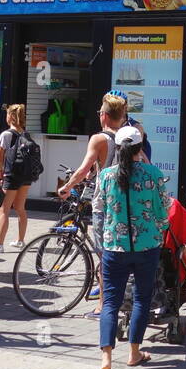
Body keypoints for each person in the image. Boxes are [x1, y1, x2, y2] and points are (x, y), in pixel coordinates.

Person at [93, 125, 171, 369]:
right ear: (140, 148)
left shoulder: (106, 175)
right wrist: (160, 231)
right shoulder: (153, 174)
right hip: (146, 245)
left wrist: (105, 236)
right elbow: (163, 211)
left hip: (114, 246)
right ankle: (134, 351)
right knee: (142, 298)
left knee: (110, 302)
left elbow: (99, 209)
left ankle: (106, 357)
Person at [58, 93, 129, 315]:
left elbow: (83, 168)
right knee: (121, 252)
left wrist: (67, 187)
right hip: (125, 202)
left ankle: (103, 306)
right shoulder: (128, 137)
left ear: (105, 116)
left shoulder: (99, 139)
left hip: (105, 203)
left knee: (104, 255)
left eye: (100, 112)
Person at [0, 104, 35, 252]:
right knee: (20, 207)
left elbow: (0, 158)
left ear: (10, 116)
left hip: (12, 175)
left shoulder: (6, 135)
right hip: (26, 176)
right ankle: (20, 240)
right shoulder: (26, 134)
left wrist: (1, 173)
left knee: (3, 209)